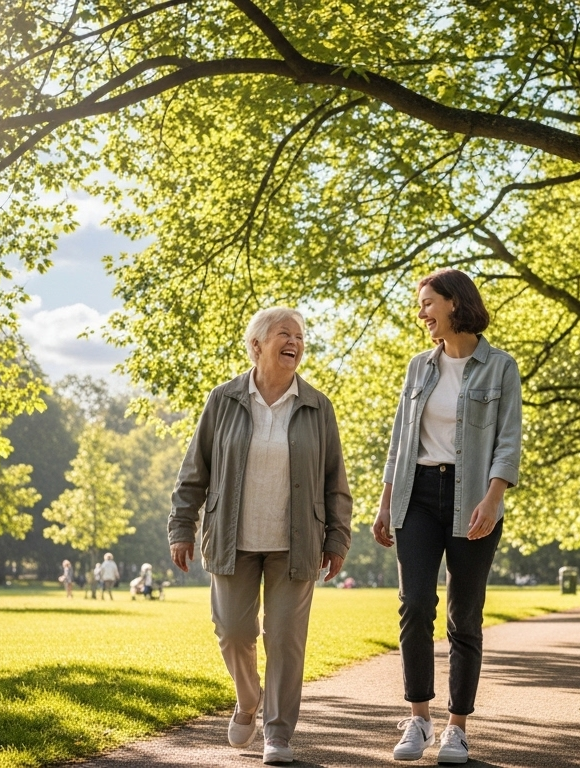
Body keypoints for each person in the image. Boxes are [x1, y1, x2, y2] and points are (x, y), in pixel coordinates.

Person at [169, 306, 352, 766]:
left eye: (301, 336)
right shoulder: (223, 400)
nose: (295, 342)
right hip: (231, 538)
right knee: (232, 632)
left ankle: (277, 733)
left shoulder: (316, 406)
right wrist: (181, 526)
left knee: (285, 638)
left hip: (298, 542)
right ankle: (247, 700)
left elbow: (336, 481)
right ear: (256, 345)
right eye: (284, 334)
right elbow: (195, 472)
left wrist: (337, 539)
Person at [372, 269, 522, 765]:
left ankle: (456, 728)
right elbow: (400, 440)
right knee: (415, 604)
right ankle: (418, 717)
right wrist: (384, 501)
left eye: (427, 303)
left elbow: (507, 440)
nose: (421, 314)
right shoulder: (419, 367)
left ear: (455, 303)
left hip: (472, 498)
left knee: (465, 615)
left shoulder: (500, 367)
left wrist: (494, 497)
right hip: (416, 495)